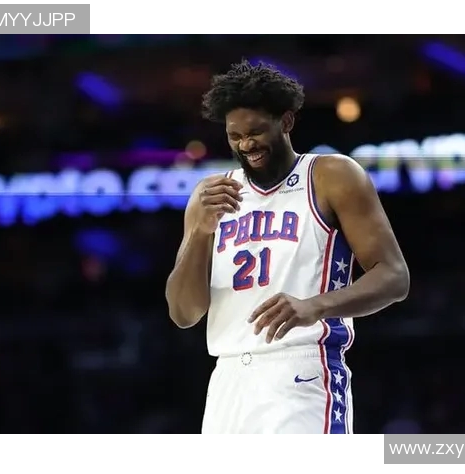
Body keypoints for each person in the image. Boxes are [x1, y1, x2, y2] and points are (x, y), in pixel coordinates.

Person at [165, 60, 410, 434]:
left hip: (301, 369)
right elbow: (183, 313)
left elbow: (394, 277)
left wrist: (314, 306)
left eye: (256, 131)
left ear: (287, 121)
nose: (246, 144)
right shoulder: (211, 195)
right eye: (235, 136)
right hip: (227, 381)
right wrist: (199, 231)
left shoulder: (331, 175)